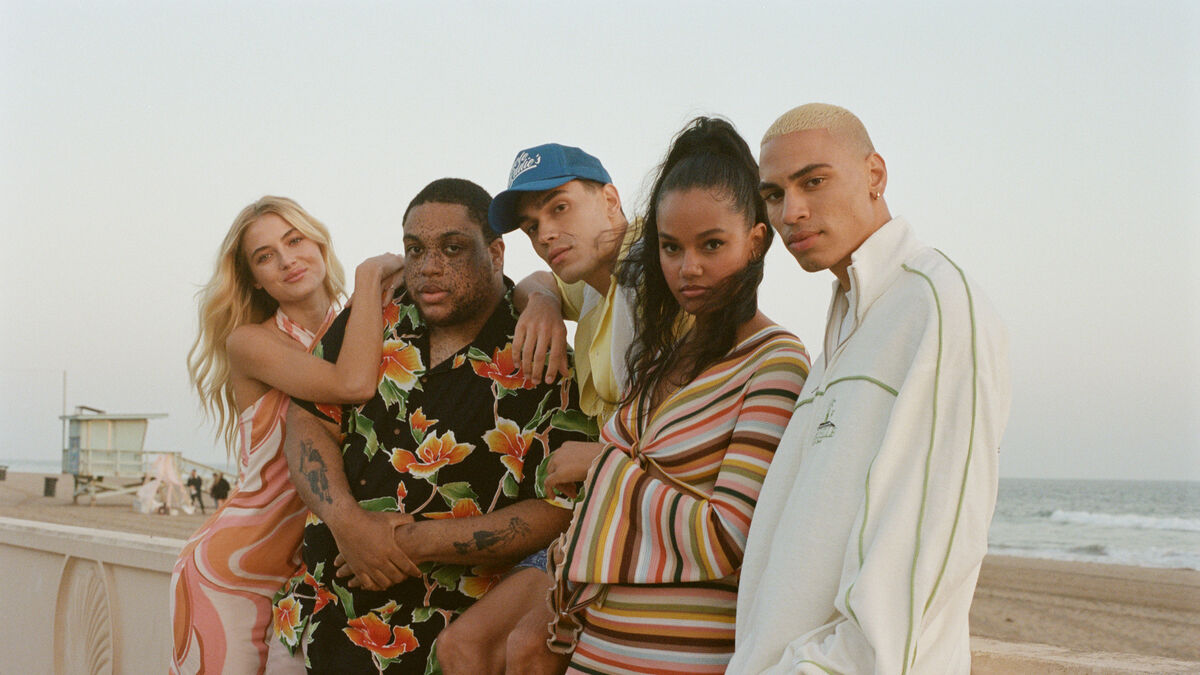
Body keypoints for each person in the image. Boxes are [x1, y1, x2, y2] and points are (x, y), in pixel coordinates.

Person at [729, 103, 1012, 674]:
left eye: (813, 181)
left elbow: (925, 560)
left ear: (875, 175)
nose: (791, 212)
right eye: (774, 194)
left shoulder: (934, 304)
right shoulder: (841, 332)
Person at [272, 178, 592, 674]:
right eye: (415, 249)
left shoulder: (539, 350)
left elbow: (558, 509)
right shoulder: (375, 316)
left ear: (496, 253)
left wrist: (412, 542)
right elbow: (310, 421)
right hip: (318, 616)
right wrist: (348, 523)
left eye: (453, 248)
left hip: (439, 640)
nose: (428, 267)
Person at [540, 117, 810, 674]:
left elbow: (728, 537)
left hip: (683, 661)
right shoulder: (657, 358)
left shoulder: (775, 363)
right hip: (594, 652)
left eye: (712, 244)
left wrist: (599, 469)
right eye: (670, 247)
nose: (688, 269)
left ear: (756, 241)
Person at [171, 196, 403, 675]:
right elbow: (351, 384)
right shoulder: (250, 342)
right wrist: (368, 276)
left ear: (318, 243)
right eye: (265, 256)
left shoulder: (360, 324)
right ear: (255, 278)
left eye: (294, 240)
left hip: (310, 577)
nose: (286, 260)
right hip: (234, 573)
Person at [436, 142, 643, 674]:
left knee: (528, 646)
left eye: (560, 208)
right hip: (595, 510)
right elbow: (535, 282)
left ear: (611, 201)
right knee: (461, 647)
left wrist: (599, 458)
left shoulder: (654, 273)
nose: (545, 234)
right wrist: (546, 301)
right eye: (531, 226)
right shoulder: (593, 282)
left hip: (640, 509)